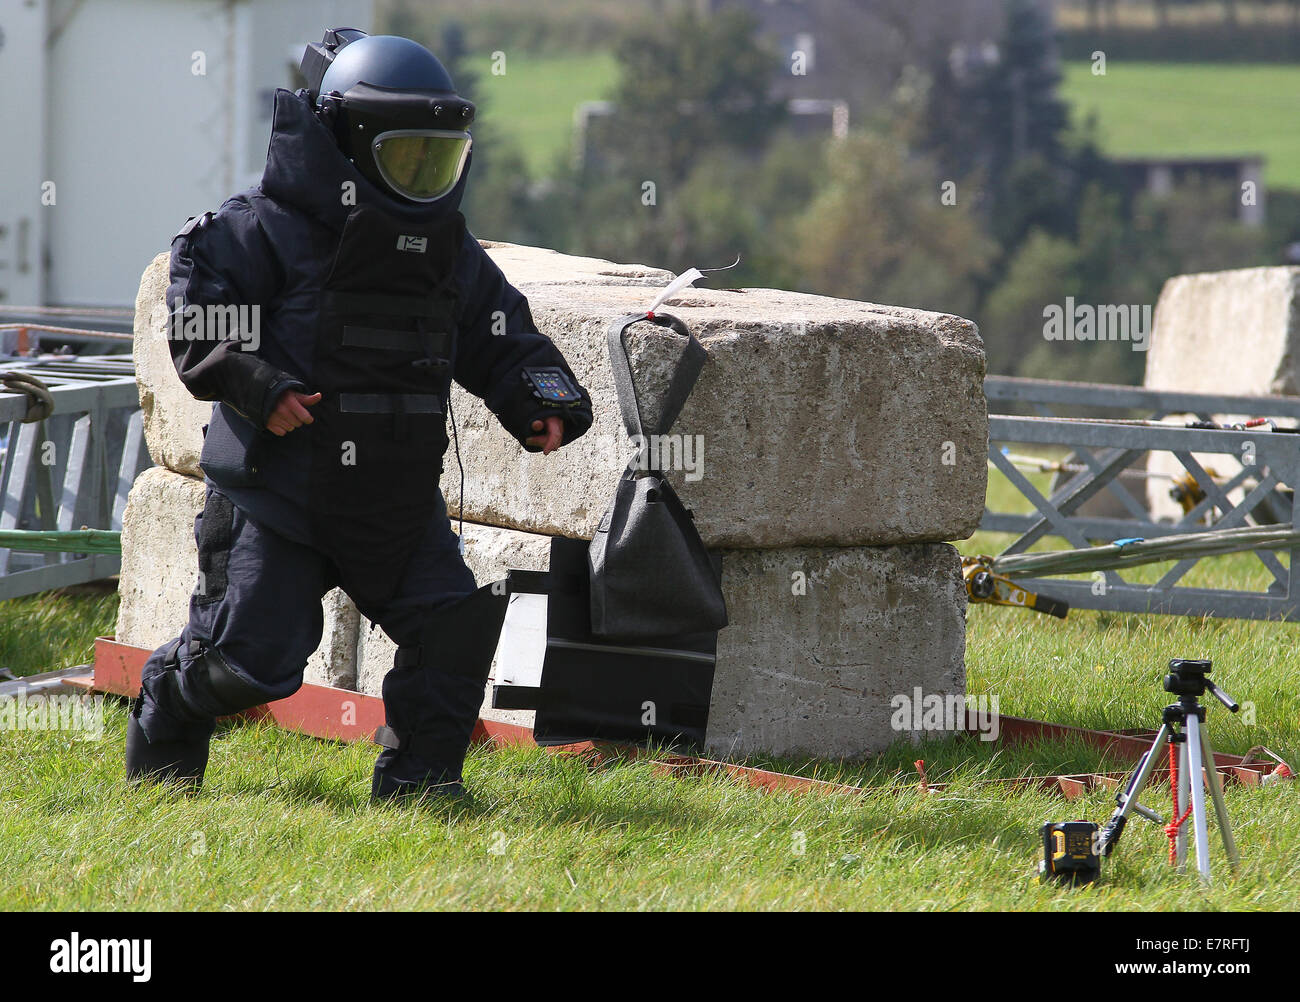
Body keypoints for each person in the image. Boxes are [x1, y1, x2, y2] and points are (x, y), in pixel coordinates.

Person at [126, 29, 593, 804]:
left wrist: (541, 399)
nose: (421, 175)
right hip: (278, 497)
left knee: (452, 631)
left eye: (436, 158)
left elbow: (499, 333)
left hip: (397, 503)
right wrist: (259, 385)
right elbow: (200, 326)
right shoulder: (256, 227)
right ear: (344, 141)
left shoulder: (447, 249)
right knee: (248, 661)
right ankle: (166, 708)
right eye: (405, 155)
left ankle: (420, 791)